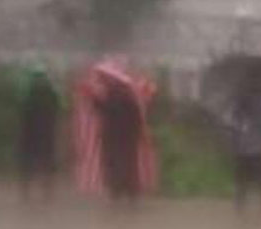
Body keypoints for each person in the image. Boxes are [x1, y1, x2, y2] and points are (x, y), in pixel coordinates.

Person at [72, 58, 158, 201]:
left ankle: (118, 194)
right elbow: (135, 117)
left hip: (114, 138)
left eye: (105, 79)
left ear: (113, 80)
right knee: (128, 165)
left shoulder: (114, 95)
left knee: (115, 164)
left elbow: (103, 109)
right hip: (127, 138)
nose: (103, 81)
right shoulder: (128, 96)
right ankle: (129, 194)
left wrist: (90, 96)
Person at [229, 73, 261, 217]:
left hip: (244, 148)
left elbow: (235, 123)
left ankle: (240, 205)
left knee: (242, 178)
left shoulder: (241, 102)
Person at [17, 64, 60, 201]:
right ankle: (46, 190)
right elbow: (58, 107)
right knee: (46, 161)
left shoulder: (27, 91)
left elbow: (21, 109)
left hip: (29, 132)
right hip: (46, 131)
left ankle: (26, 191)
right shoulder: (51, 91)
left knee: (28, 162)